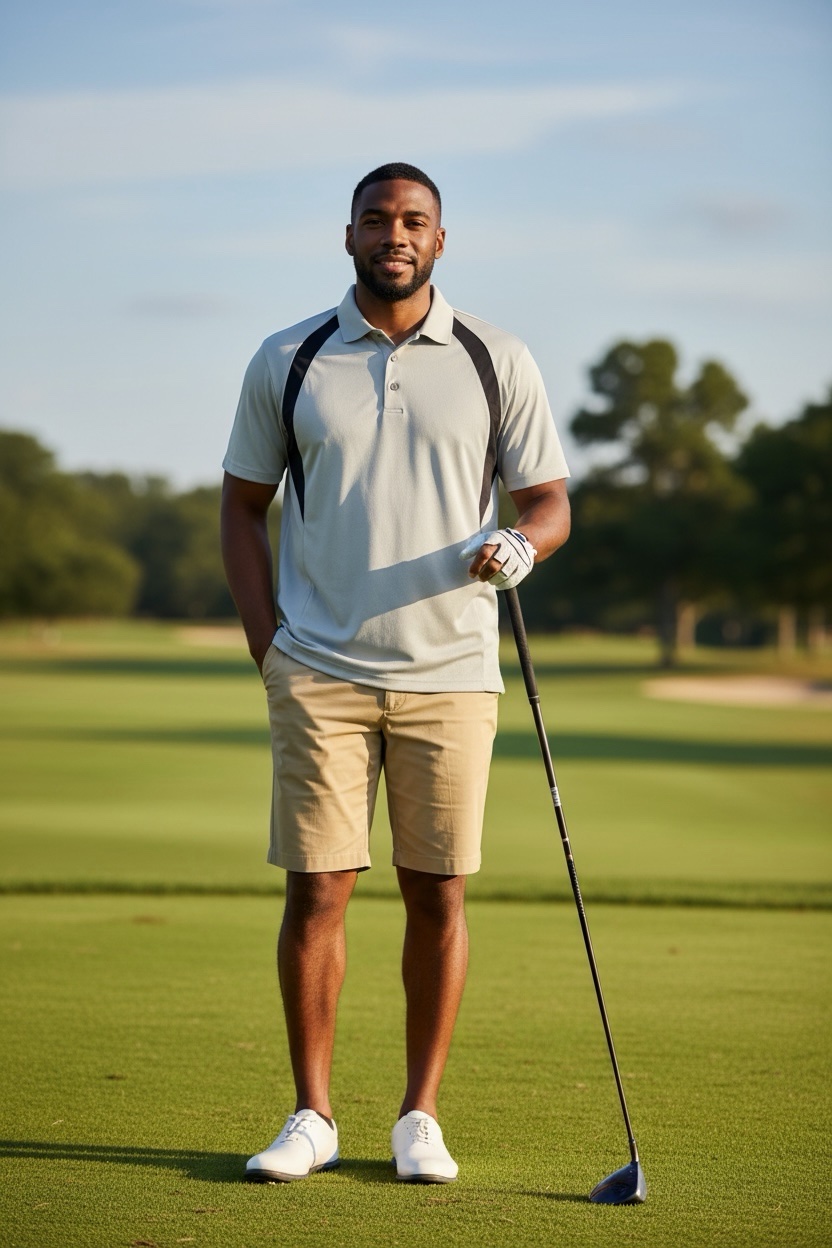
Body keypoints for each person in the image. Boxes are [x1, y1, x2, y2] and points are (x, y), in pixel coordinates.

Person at [220, 162, 570, 1185]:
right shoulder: (290, 357)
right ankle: (312, 1116)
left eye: (413, 219)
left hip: (453, 671)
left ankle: (419, 1117)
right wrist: (265, 642)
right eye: (377, 218)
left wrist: (521, 545)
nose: (395, 234)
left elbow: (547, 498)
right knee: (318, 888)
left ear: (440, 240)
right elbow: (242, 508)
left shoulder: (494, 356)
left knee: (437, 894)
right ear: (348, 236)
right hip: (318, 667)